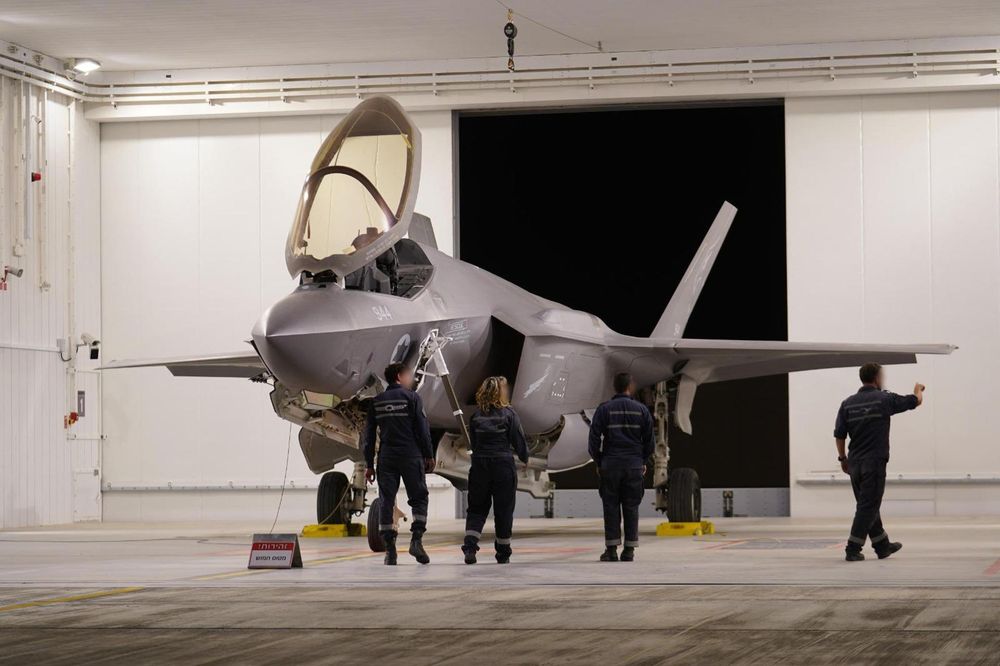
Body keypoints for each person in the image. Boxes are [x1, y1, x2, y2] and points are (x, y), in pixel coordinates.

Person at [834, 362, 925, 562]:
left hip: (854, 463)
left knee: (867, 503)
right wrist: (918, 389)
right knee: (868, 505)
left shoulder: (847, 403)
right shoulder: (884, 399)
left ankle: (882, 545)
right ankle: (853, 548)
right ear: (877, 378)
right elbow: (915, 401)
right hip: (873, 462)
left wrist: (842, 458)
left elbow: (839, 435)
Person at [363, 362, 436, 565]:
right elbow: (423, 430)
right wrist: (429, 455)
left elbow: (368, 438)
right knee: (419, 498)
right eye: (408, 375)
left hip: (386, 458)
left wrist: (369, 464)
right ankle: (416, 541)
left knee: (387, 500)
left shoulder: (376, 402)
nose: (411, 378)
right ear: (399, 376)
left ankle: (390, 551)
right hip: (411, 456)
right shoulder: (412, 398)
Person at [462, 376, 530, 565]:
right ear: (501, 392)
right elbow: (518, 440)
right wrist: (525, 457)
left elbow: (473, 444)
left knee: (476, 508)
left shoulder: (475, 417)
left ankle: (470, 547)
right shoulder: (509, 415)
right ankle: (503, 552)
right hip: (503, 466)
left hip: (480, 466)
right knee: (503, 510)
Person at [588, 372, 654, 562]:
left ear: (614, 387)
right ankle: (629, 550)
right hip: (633, 466)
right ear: (630, 386)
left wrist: (599, 461)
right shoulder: (641, 410)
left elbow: (593, 439)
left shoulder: (604, 409)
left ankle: (611, 550)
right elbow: (650, 441)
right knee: (631, 507)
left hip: (611, 466)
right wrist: (642, 460)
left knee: (611, 507)